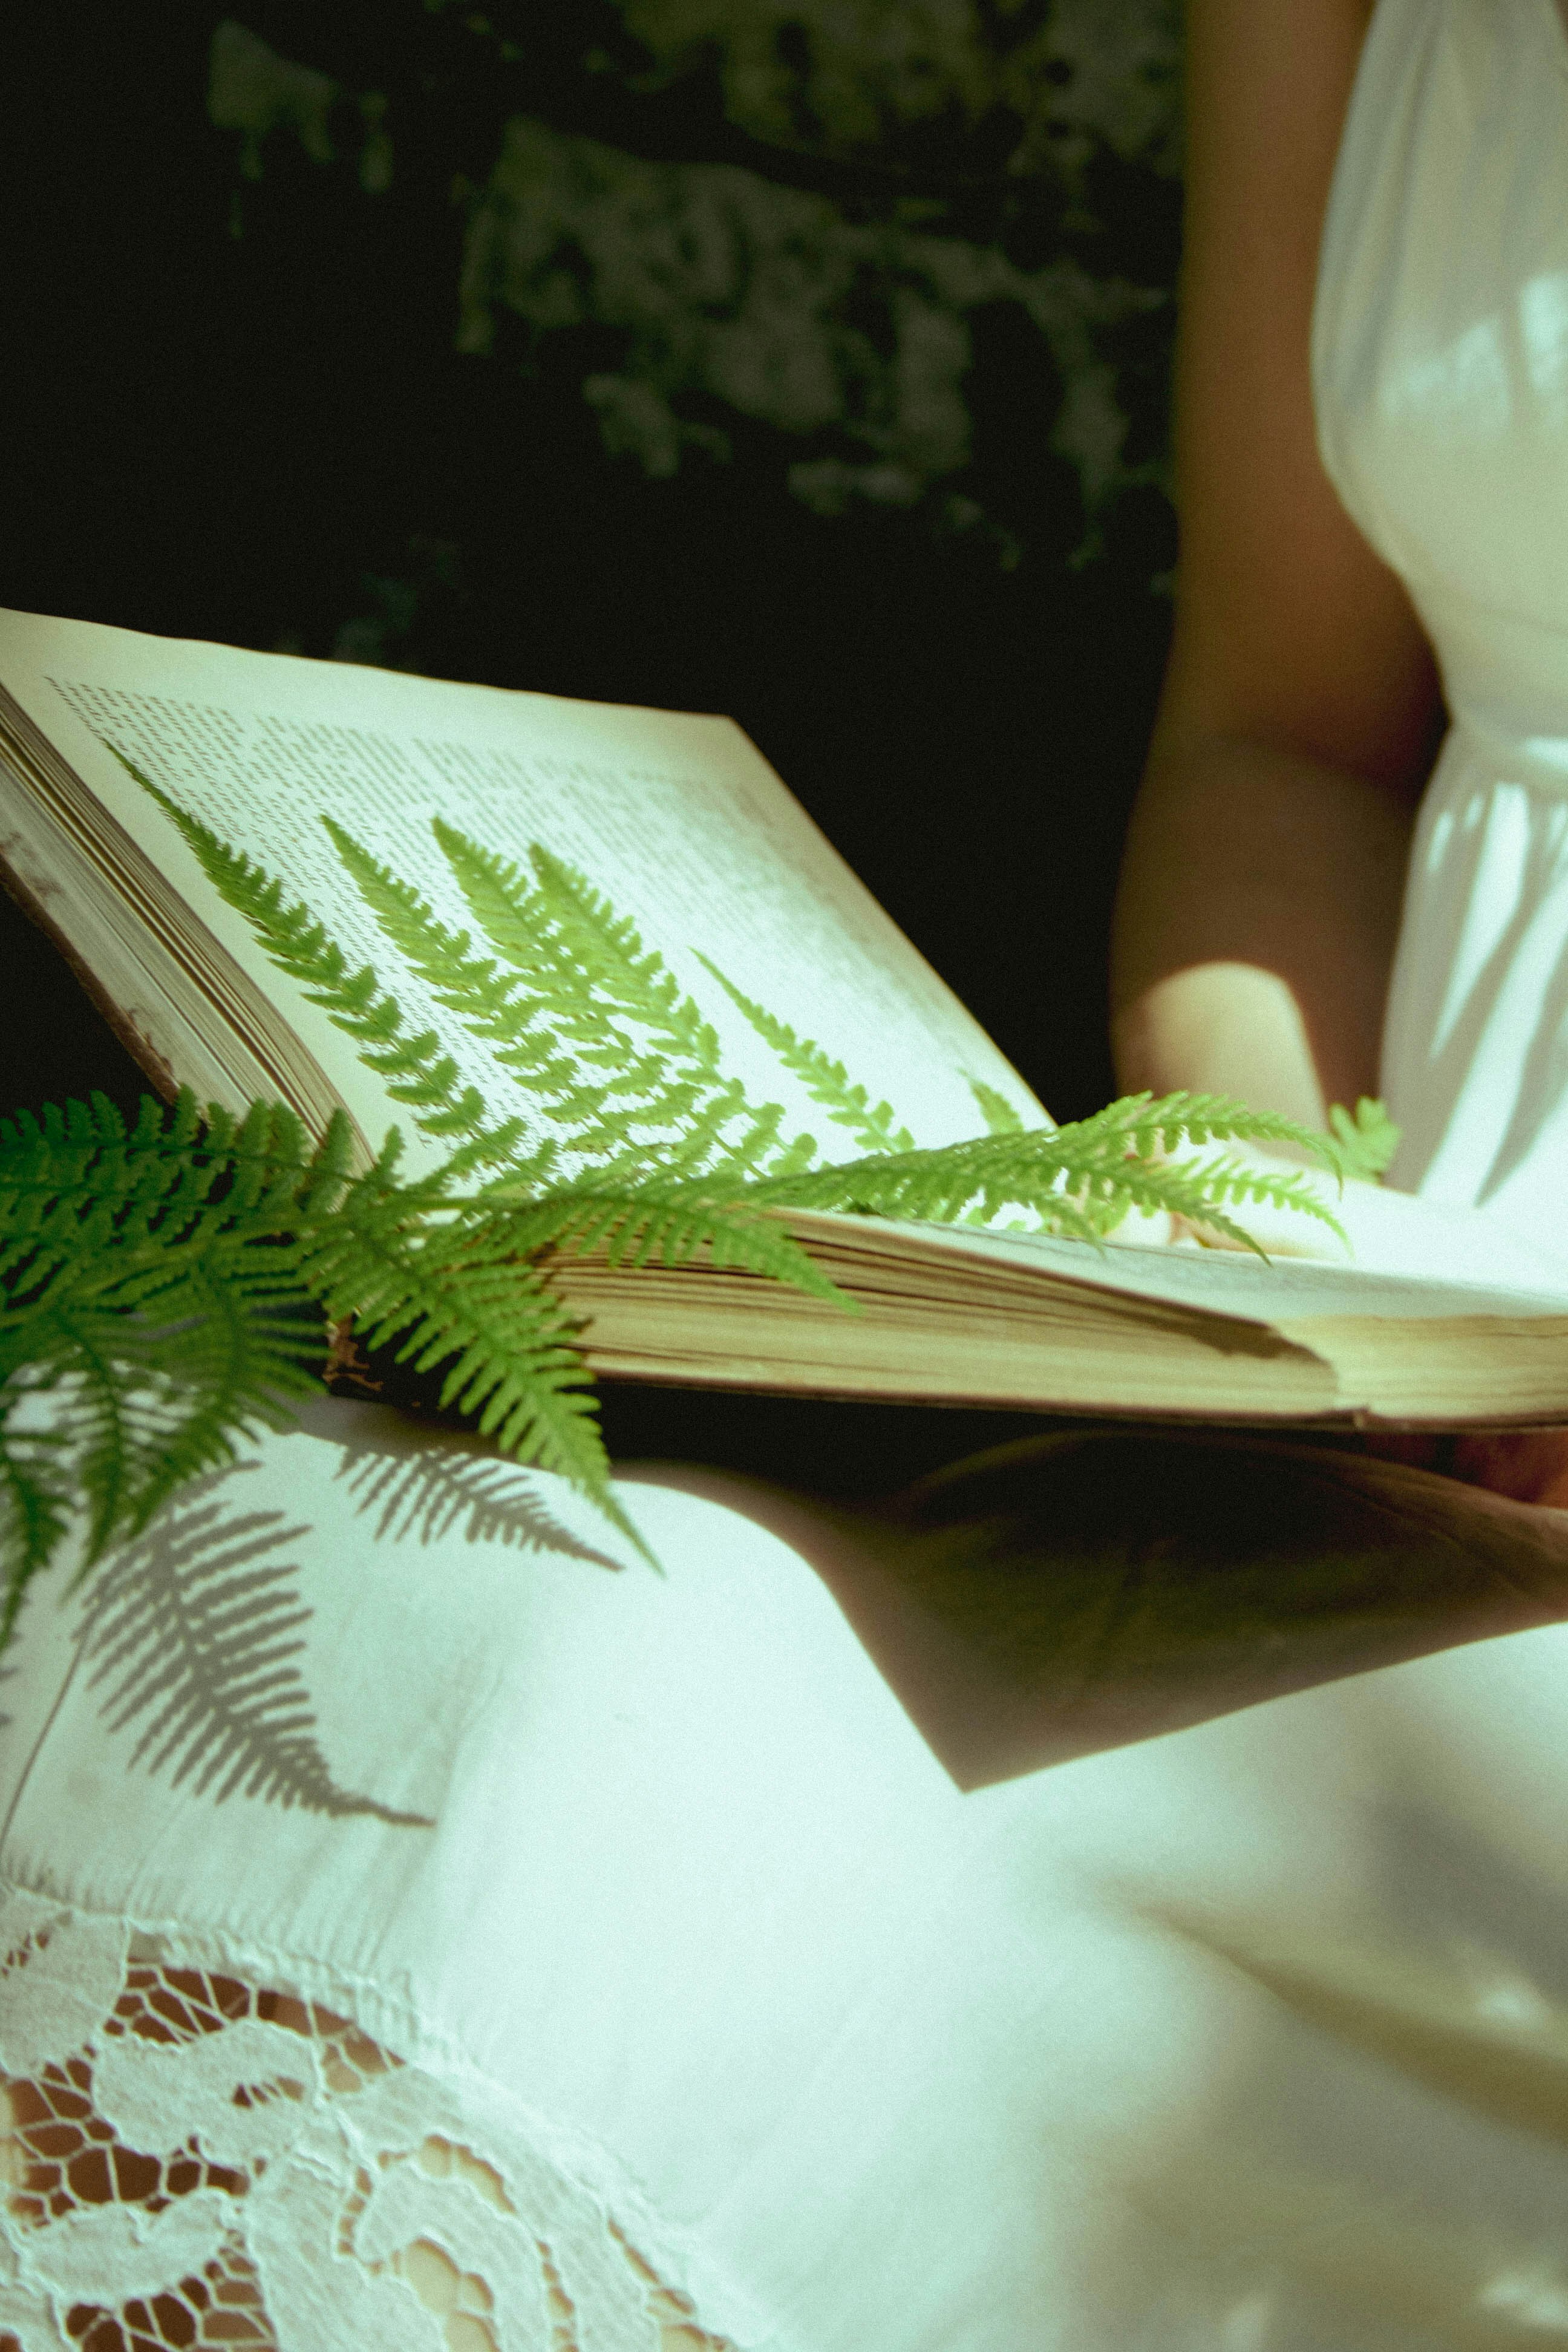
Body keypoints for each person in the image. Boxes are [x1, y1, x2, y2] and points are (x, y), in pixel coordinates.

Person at [8, 2, 1568, 2344]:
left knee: (629, 1742)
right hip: (1421, 1375)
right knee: (236, 1531)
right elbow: (1287, 747)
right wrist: (1265, 1249)